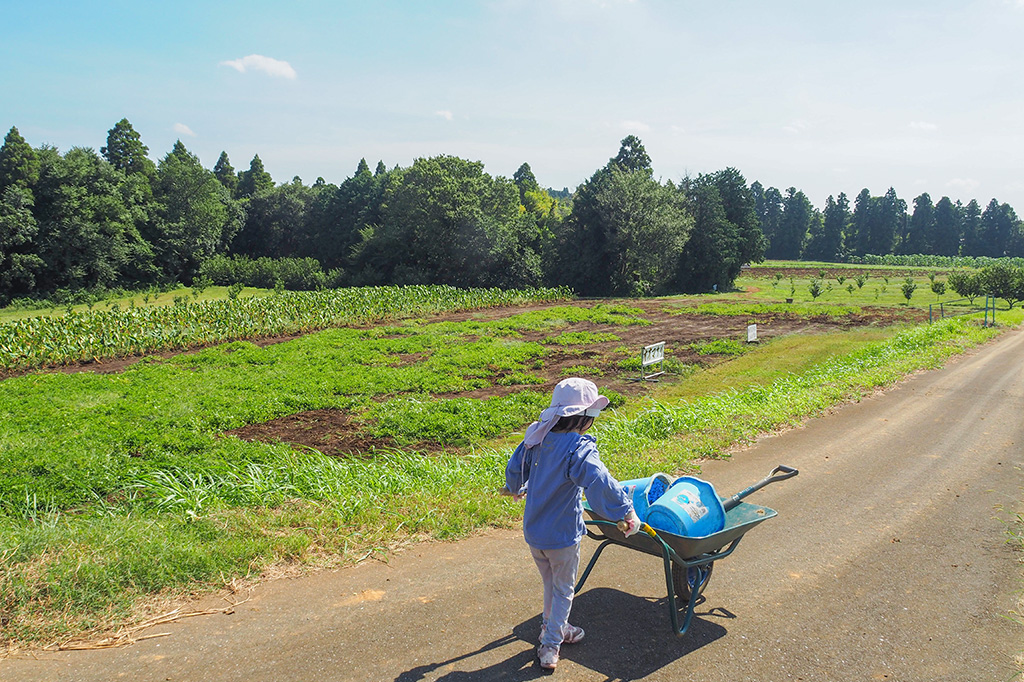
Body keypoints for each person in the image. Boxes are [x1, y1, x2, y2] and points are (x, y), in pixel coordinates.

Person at [504, 377, 640, 670]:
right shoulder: (578, 448)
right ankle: (551, 643)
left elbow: (517, 466)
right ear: (585, 417)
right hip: (562, 535)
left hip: (535, 532)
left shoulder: (537, 437)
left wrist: (514, 487)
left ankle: (553, 626)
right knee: (564, 590)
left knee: (550, 584)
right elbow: (598, 480)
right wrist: (626, 512)